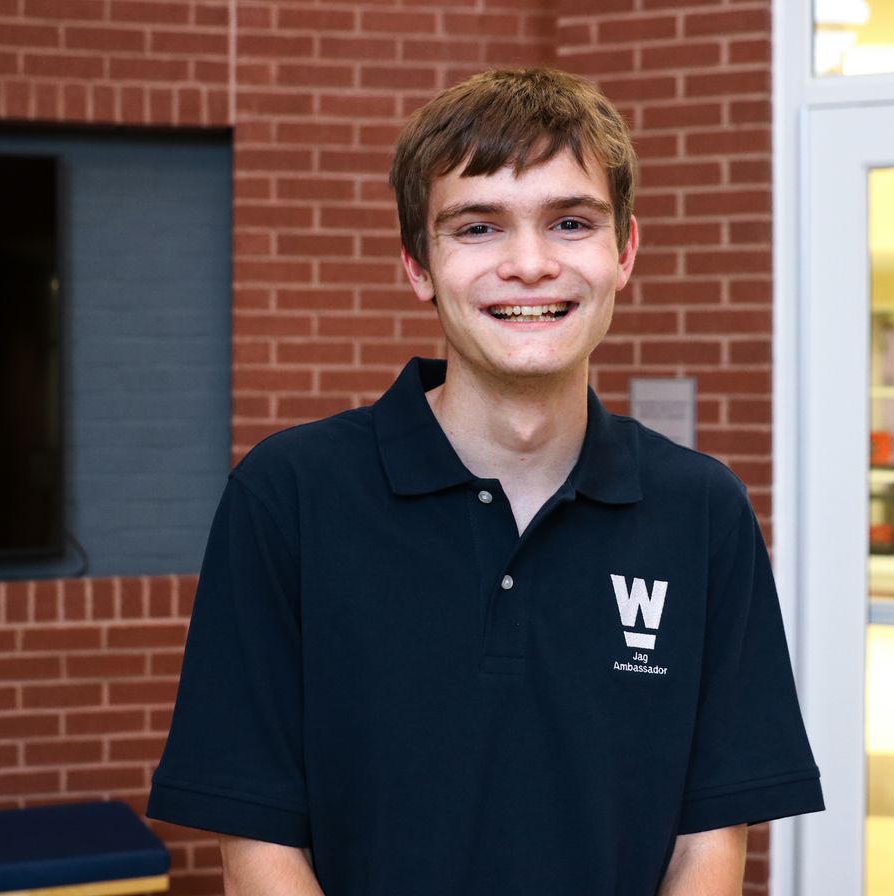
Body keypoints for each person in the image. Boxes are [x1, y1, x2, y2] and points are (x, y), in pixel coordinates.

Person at [147, 67, 823, 895]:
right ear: (418, 264)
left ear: (623, 253)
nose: (530, 265)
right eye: (478, 227)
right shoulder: (289, 496)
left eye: (570, 222)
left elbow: (709, 842)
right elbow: (258, 844)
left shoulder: (703, 511)